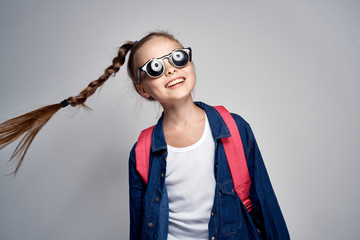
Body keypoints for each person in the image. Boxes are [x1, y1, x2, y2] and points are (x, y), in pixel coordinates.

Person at [0, 31, 290, 239]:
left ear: (189, 63)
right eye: (155, 68)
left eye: (177, 57)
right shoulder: (142, 151)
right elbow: (140, 224)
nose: (171, 70)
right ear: (143, 89)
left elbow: (266, 205)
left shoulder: (235, 128)